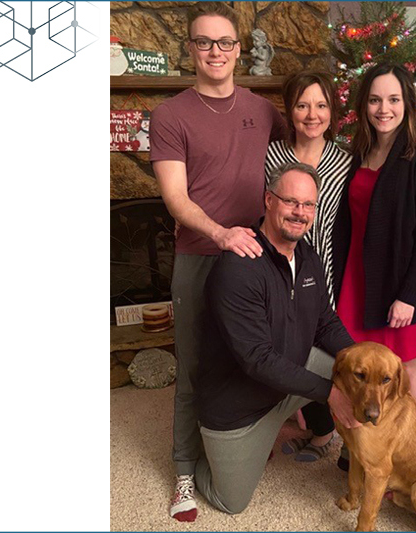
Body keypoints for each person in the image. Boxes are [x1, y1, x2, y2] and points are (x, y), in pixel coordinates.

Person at [149, 2, 285, 523]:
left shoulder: (261, 108)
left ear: (238, 49)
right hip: (201, 256)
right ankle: (184, 469)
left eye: (225, 42)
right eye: (204, 42)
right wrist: (220, 232)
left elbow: (295, 156)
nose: (215, 52)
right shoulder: (170, 115)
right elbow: (176, 201)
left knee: (253, 356)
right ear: (190, 48)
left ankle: (239, 443)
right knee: (195, 367)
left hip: (256, 259)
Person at [194, 162, 359, 515]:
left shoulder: (308, 257)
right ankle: (201, 450)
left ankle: (336, 441)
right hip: (239, 407)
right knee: (232, 502)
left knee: (350, 368)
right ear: (269, 200)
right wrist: (330, 393)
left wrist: (358, 358)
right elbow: (258, 359)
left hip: (284, 382)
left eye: (309, 205)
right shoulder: (237, 268)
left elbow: (325, 321)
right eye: (291, 201)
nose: (300, 213)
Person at [332, 63, 416, 409]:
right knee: (356, 362)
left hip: (398, 280)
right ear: (364, 106)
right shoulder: (359, 152)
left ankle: (409, 441)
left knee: (406, 363)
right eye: (374, 100)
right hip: (357, 276)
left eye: (393, 99)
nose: (383, 109)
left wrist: (409, 296)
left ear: (407, 103)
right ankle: (362, 442)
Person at [264, 71, 352, 462]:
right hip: (278, 267)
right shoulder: (272, 156)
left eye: (320, 105)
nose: (311, 114)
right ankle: (317, 427)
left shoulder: (345, 160)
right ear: (290, 111)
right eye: (302, 105)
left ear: (332, 112)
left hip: (326, 270)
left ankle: (336, 435)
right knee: (288, 348)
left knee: (325, 351)